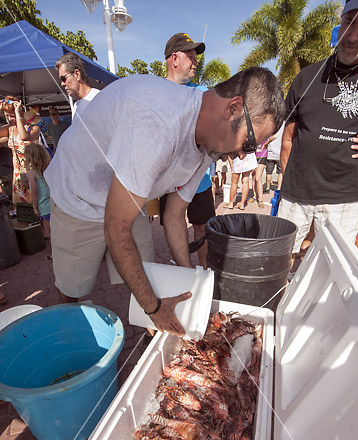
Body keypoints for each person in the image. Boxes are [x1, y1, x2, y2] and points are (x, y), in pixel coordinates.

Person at [44, 67, 285, 336]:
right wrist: (154, 308)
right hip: (78, 194)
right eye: (249, 144)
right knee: (73, 286)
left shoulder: (209, 143)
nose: (243, 156)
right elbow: (116, 227)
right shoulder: (158, 122)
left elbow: (174, 215)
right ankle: (66, 327)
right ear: (234, 108)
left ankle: (153, 334)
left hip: (128, 198)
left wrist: (188, 278)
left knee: (149, 278)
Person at [278, 0, 358, 257]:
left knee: (332, 266)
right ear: (340, 23)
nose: (353, 34)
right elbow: (287, 139)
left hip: (345, 198)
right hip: (295, 195)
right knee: (282, 258)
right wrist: (287, 182)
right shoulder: (307, 77)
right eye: (349, 22)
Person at [160, 33, 215, 269]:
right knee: (174, 223)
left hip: (199, 179)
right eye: (190, 56)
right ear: (174, 58)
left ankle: (203, 271)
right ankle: (184, 270)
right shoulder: (156, 92)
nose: (195, 62)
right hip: (167, 179)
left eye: (196, 57)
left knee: (201, 226)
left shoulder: (203, 93)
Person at [0, 97, 40, 206]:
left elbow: (23, 137)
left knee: (36, 206)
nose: (10, 119)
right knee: (21, 209)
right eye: (7, 116)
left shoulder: (33, 128)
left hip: (33, 172)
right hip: (18, 176)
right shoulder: (10, 129)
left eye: (11, 116)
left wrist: (17, 114)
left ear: (21, 113)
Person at [55, 53, 100, 120]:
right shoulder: (76, 106)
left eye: (63, 78)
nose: (62, 84)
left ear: (77, 74)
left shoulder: (99, 99)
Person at [24, 142, 51, 239]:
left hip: (44, 206)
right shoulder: (49, 169)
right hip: (55, 204)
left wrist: (34, 207)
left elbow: (34, 192)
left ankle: (54, 252)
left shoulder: (32, 173)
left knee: (51, 233)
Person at [265, 122, 284, 192]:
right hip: (280, 153)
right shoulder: (284, 125)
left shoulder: (271, 124)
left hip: (270, 153)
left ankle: (267, 188)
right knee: (280, 173)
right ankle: (279, 188)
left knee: (269, 172)